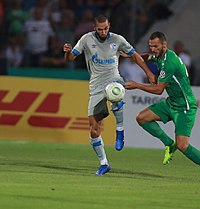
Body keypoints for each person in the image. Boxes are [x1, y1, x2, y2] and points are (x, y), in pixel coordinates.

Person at [63, 14, 155, 176]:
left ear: (109, 25)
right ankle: (104, 163)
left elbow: (135, 55)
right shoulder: (86, 39)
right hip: (96, 86)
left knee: (116, 92)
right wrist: (67, 52)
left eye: (106, 28)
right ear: (94, 28)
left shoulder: (118, 40)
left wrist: (148, 73)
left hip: (114, 78)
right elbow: (70, 59)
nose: (103, 31)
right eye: (100, 29)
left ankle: (120, 129)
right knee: (94, 130)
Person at [125, 31, 200, 183]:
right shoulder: (162, 56)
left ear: (164, 45)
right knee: (142, 118)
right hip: (172, 102)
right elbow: (148, 57)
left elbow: (158, 89)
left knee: (183, 145)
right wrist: (132, 54)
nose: (153, 49)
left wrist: (137, 85)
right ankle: (169, 143)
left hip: (184, 107)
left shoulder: (170, 63)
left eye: (155, 46)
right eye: (151, 46)